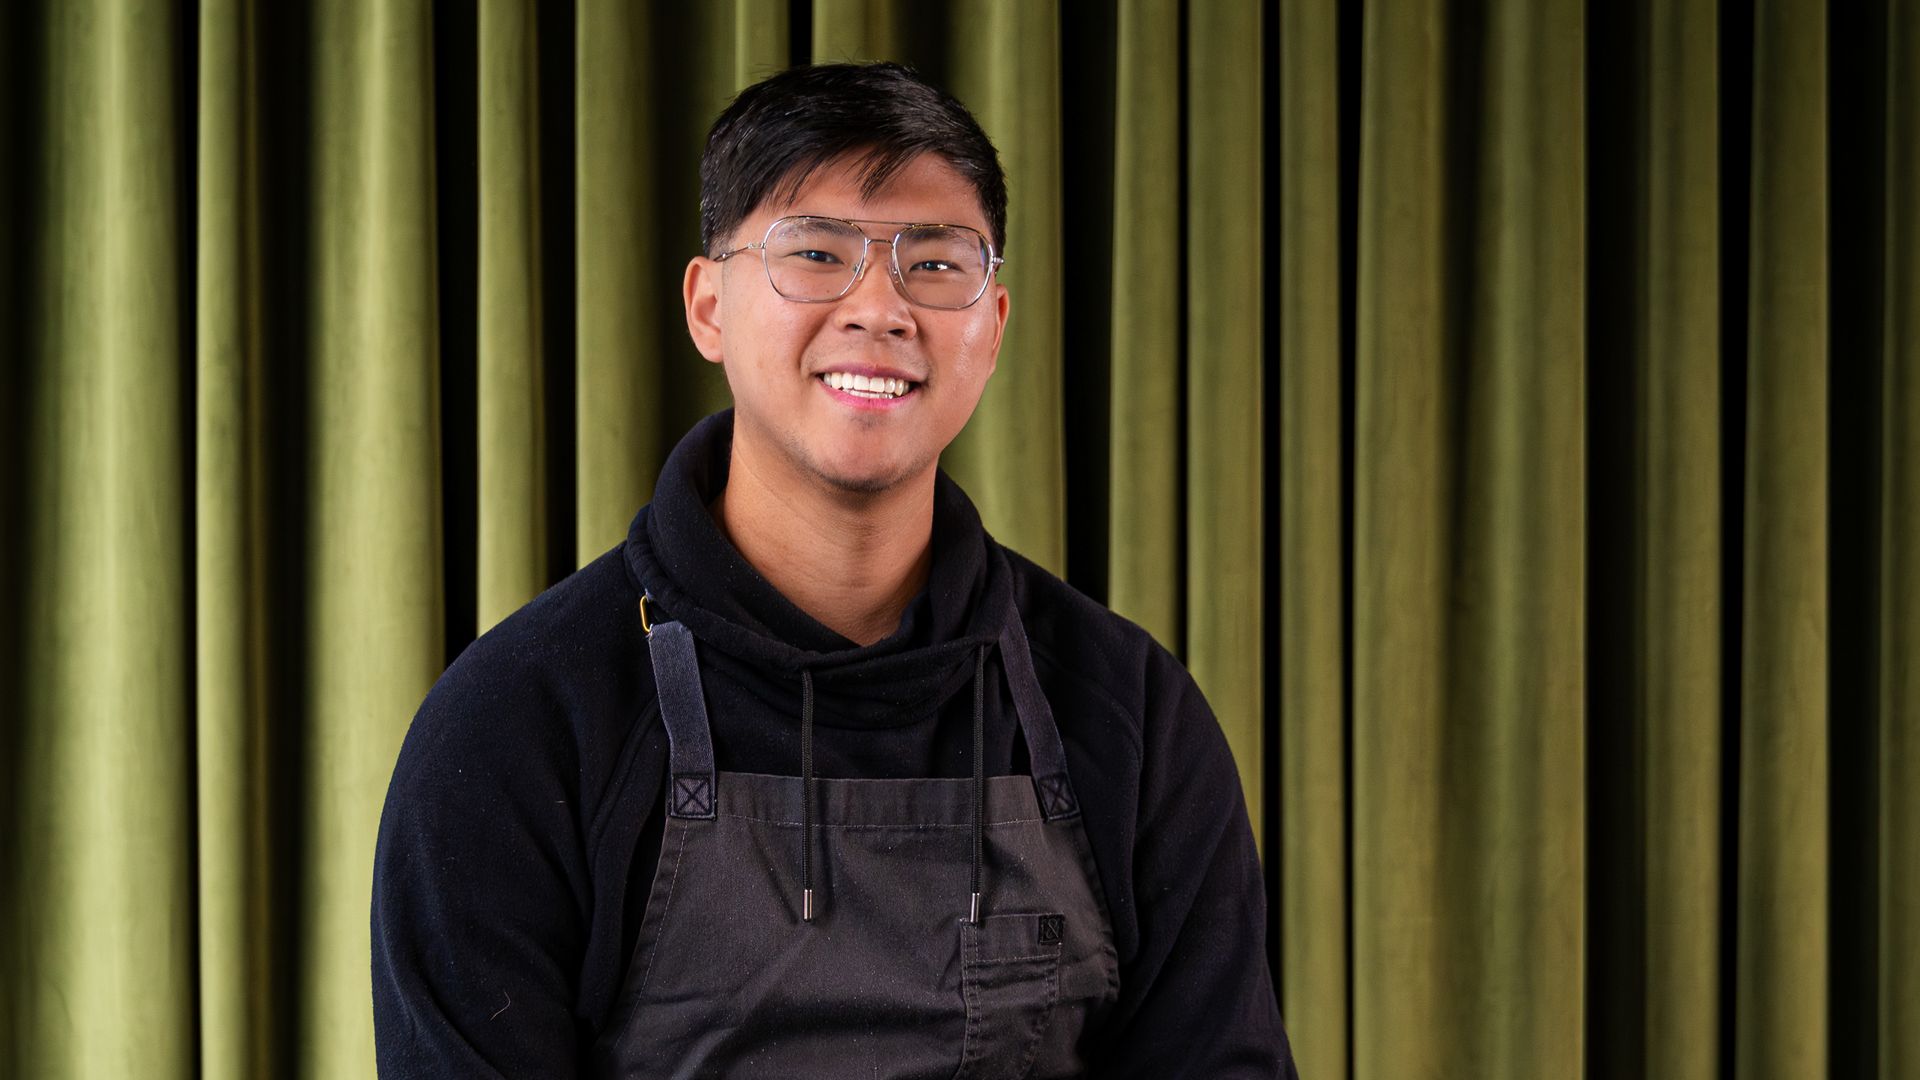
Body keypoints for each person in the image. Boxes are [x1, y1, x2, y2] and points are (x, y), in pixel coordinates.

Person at [372, 61, 1297, 1078]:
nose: (878, 307)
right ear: (707, 305)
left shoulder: (1128, 710)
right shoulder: (520, 722)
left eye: (935, 264)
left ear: (991, 328)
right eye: (816, 253)